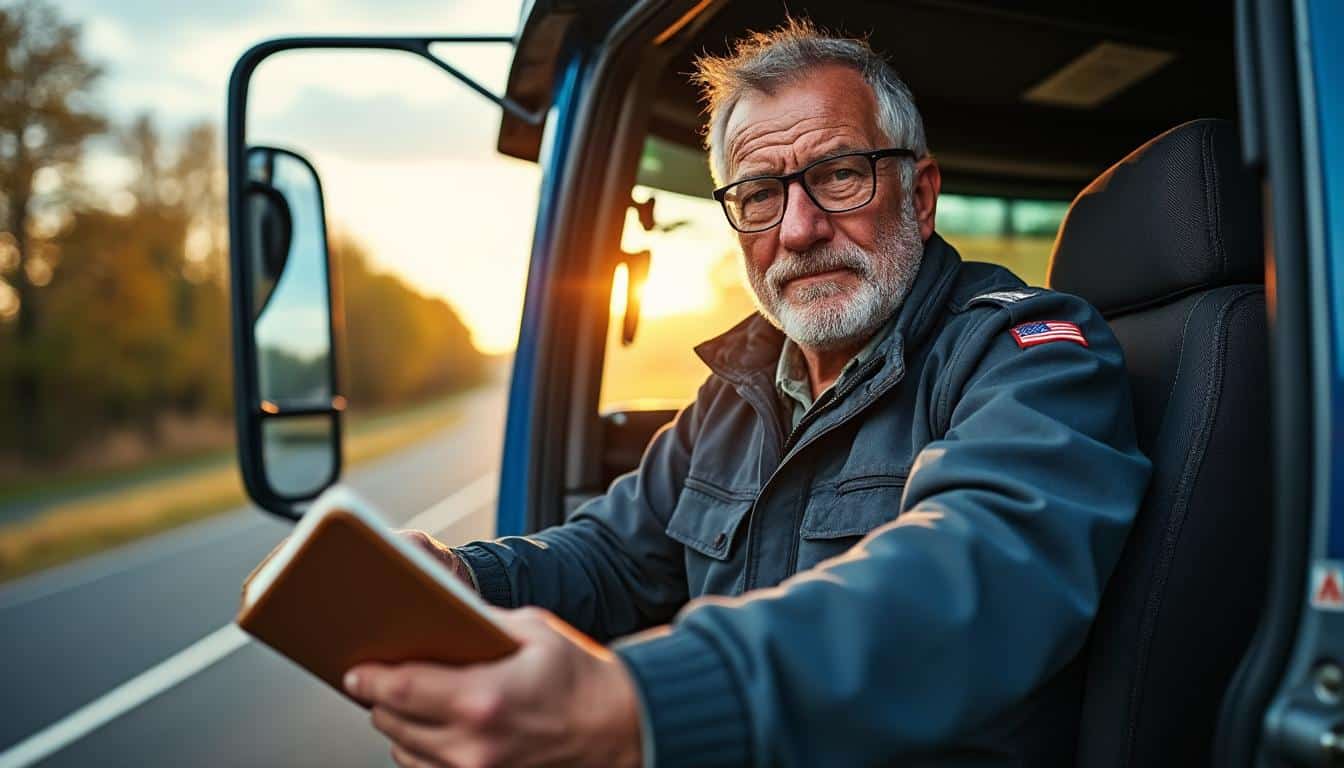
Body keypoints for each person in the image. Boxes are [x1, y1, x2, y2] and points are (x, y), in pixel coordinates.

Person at [344, 18, 1150, 768]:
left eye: (839, 174)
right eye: (760, 194)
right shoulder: (738, 391)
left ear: (921, 193)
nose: (797, 228)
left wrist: (646, 703)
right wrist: (465, 577)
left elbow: (976, 577)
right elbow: (620, 555)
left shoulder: (1029, 357)